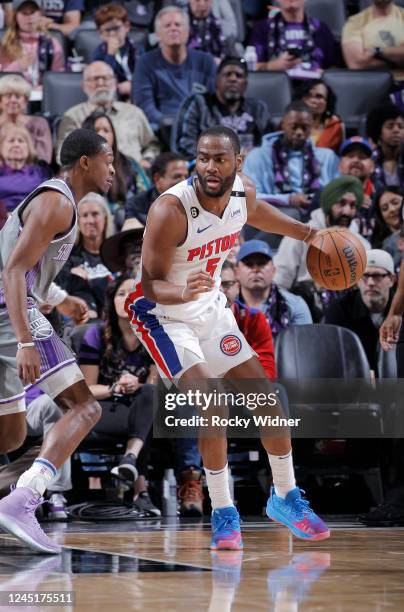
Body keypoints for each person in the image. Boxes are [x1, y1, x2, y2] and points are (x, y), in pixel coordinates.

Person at [125, 125, 329, 550]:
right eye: (202, 157)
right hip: (163, 314)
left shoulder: (243, 192)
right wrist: (184, 290)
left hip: (208, 307)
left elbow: (258, 213)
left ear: (239, 162)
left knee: (265, 396)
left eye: (219, 158)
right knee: (211, 400)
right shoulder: (171, 210)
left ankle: (286, 496)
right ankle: (223, 510)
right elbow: (146, 287)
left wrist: (310, 234)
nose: (210, 167)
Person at [0, 127, 115, 554]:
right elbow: (13, 272)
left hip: (12, 310)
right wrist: (27, 340)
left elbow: (21, 264)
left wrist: (61, 298)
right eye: (108, 159)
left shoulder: (54, 199)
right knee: (85, 407)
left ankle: (16, 497)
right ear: (85, 162)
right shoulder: (57, 201)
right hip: (12, 315)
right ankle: (23, 502)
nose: (112, 168)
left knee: (10, 437)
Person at [79, 274, 160, 517]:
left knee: (149, 393)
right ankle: (140, 490)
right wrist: (115, 387)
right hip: (105, 408)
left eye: (133, 294)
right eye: (121, 294)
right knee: (146, 418)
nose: (127, 299)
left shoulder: (155, 334)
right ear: (111, 301)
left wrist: (138, 384)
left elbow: (155, 384)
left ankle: (130, 460)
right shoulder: (95, 336)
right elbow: (86, 391)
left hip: (142, 407)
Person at [273, 176, 371, 294]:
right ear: (328, 204)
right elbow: (279, 282)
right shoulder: (299, 235)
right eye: (341, 203)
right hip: (306, 303)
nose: (347, 211)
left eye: (352, 205)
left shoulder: (362, 244)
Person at [243, 101, 339, 214]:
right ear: (283, 124)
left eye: (305, 128)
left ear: (311, 127)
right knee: (293, 214)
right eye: (294, 127)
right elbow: (249, 196)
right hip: (272, 217)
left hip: (318, 216)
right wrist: (288, 200)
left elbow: (339, 192)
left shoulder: (327, 157)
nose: (299, 132)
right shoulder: (258, 156)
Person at [133, 6, 217, 133]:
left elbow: (215, 101)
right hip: (162, 126)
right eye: (167, 25)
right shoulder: (145, 63)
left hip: (200, 125)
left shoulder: (206, 61)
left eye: (178, 24)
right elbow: (144, 105)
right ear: (158, 34)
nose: (173, 28)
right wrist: (171, 124)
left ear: (188, 32)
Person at [57, 61, 158, 166]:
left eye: (106, 78)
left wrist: (147, 160)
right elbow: (63, 156)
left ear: (115, 83)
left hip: (134, 175)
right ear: (83, 86)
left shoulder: (134, 113)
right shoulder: (73, 116)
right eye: (94, 79)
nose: (101, 83)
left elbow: (152, 144)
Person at [172, 56, 272, 159]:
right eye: (227, 74)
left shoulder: (258, 108)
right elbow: (182, 145)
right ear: (217, 80)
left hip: (250, 168)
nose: (233, 79)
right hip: (208, 169)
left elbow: (269, 144)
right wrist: (216, 157)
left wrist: (254, 155)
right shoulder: (198, 103)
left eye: (239, 76)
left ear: (245, 84)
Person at [324, 249, 396, 373]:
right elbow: (332, 359)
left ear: (392, 280)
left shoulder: (400, 309)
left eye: (378, 276)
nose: (371, 283)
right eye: (365, 276)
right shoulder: (340, 309)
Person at [82, 110, 151, 221]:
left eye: (106, 130)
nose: (102, 134)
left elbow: (145, 197)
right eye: (96, 130)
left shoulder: (129, 164)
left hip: (130, 222)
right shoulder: (79, 167)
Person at [236, 239, 312, 338]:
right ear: (236, 272)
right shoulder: (223, 307)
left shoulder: (295, 305)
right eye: (249, 264)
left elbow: (304, 347)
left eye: (262, 263)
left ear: (274, 270)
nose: (256, 269)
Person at [56, 192, 114, 321]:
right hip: (83, 323)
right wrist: (71, 276)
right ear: (78, 222)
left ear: (105, 218)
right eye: (85, 215)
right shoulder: (67, 256)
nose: (90, 221)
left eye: (95, 214)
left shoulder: (117, 252)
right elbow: (59, 292)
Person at [249, 0, 336, 79]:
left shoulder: (321, 28)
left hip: (314, 85)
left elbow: (335, 68)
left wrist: (325, 74)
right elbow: (251, 67)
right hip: (276, 85)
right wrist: (272, 66)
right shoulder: (262, 28)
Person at [221, 259, 277, 379]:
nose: (220, 290)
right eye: (214, 286)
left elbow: (267, 369)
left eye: (226, 284)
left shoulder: (254, 319)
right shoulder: (196, 321)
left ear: (237, 286)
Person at [0, 0, 64, 88]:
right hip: (14, 94)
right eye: (24, 13)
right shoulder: (5, 43)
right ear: (16, 16)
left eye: (32, 12)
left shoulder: (51, 43)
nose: (29, 17)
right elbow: (2, 77)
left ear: (40, 14)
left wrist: (46, 88)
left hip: (43, 95)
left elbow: (58, 77)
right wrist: (18, 66)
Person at [342, 0, 404, 83]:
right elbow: (357, 64)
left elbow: (364, 62)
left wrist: (378, 51)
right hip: (373, 86)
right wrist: (399, 59)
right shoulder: (355, 22)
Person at [0, 74, 53, 163]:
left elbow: (44, 159)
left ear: (25, 101)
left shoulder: (39, 124)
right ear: (0, 101)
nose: (13, 100)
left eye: (17, 96)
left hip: (33, 173)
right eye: (8, 96)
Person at [124, 152, 189, 225]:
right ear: (157, 179)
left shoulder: (194, 200)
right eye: (177, 177)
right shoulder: (136, 206)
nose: (184, 182)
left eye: (186, 177)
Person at [0, 123, 51, 213]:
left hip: (34, 217)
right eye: (11, 141)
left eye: (21, 141)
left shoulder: (40, 172)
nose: (16, 145)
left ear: (29, 148)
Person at [93, 3, 137, 100]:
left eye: (116, 28)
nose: (112, 33)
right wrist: (110, 55)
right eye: (107, 30)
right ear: (100, 33)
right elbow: (102, 79)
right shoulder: (98, 54)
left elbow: (145, 74)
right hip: (114, 98)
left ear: (126, 26)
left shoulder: (136, 48)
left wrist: (133, 85)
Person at [294, 79, 344, 154]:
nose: (313, 100)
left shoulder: (334, 126)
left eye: (319, 97)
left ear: (327, 103)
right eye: (308, 95)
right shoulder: (288, 123)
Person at [366, 104, 404, 190]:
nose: (396, 130)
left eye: (400, 126)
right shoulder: (369, 161)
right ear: (379, 131)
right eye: (390, 126)